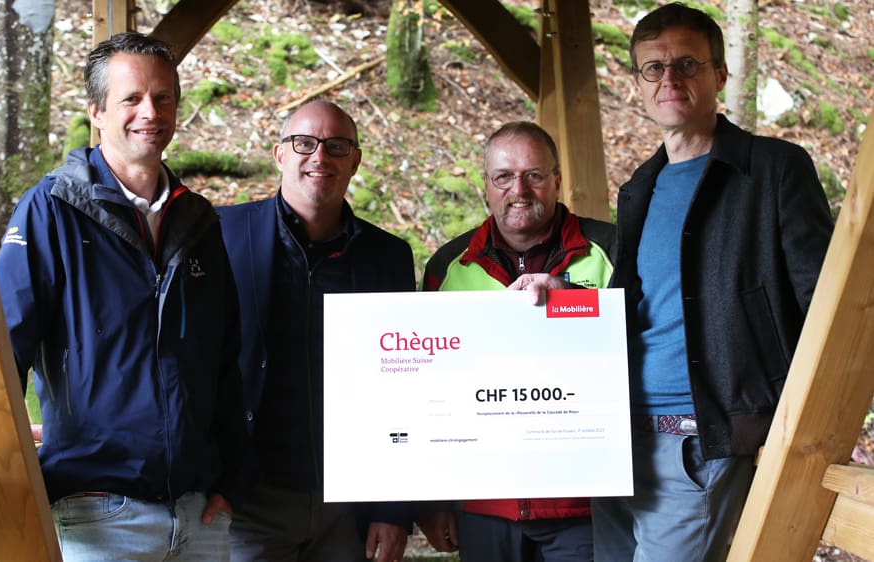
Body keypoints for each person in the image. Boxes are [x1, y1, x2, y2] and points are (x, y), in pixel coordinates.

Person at [0, 32, 247, 561]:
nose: (150, 112)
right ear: (96, 111)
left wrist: (229, 478)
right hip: (99, 515)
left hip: (199, 516)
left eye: (163, 97)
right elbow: (3, 348)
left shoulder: (198, 220)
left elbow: (225, 361)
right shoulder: (52, 210)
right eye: (131, 99)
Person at [587, 4, 834, 561]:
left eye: (687, 64)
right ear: (638, 83)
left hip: (702, 440)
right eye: (653, 68)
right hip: (617, 440)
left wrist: (812, 426)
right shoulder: (639, 187)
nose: (669, 79)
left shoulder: (773, 170)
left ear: (720, 74)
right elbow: (639, 306)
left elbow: (821, 302)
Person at [216, 99, 415, 562]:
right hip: (248, 499)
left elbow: (403, 384)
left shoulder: (388, 257)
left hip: (349, 505)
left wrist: (393, 509)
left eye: (336, 146)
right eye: (304, 143)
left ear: (355, 160)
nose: (320, 156)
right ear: (279, 154)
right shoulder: (222, 233)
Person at [417, 121, 614, 562]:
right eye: (503, 176)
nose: (519, 190)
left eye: (534, 175)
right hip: (484, 503)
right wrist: (433, 502)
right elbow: (428, 390)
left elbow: (640, 350)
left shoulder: (610, 251)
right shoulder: (448, 267)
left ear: (557, 180)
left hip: (584, 503)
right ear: (486, 186)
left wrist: (573, 301)